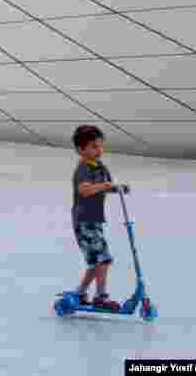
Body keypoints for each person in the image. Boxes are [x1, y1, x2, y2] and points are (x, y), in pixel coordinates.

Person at [71, 125, 121, 310]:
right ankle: (100, 297)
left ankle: (80, 293)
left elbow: (107, 185)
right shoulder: (83, 168)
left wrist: (118, 188)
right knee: (103, 259)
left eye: (100, 146)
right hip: (84, 221)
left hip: (95, 220)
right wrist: (103, 186)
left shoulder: (100, 167)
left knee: (96, 261)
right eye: (94, 147)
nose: (99, 150)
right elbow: (84, 190)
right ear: (80, 149)